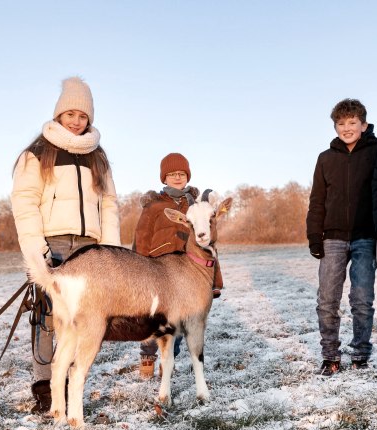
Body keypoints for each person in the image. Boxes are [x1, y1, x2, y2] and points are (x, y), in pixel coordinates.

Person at [11, 77, 121, 412]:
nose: (76, 121)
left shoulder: (97, 156)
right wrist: (36, 249)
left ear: (90, 119)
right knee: (48, 317)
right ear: (59, 114)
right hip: (53, 244)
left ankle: (73, 381)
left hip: (89, 248)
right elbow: (25, 201)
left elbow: (110, 204)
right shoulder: (38, 153)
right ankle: (44, 386)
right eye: (70, 113)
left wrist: (111, 250)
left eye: (83, 116)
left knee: (85, 318)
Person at [306, 98, 377, 376]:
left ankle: (360, 353)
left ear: (363, 124)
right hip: (332, 238)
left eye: (352, 123)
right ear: (335, 126)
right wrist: (315, 236)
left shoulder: (376, 153)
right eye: (341, 123)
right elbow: (317, 201)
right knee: (327, 300)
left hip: (366, 236)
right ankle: (330, 355)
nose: (347, 128)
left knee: (361, 299)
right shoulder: (325, 159)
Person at [132, 152, 223, 378]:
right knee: (153, 319)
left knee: (182, 321)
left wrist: (215, 282)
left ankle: (169, 359)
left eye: (181, 174)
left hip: (187, 275)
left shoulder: (197, 206)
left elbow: (210, 245)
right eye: (172, 174)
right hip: (157, 273)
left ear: (187, 176)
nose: (177, 177)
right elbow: (141, 240)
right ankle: (147, 357)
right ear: (164, 178)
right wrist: (138, 273)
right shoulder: (153, 206)